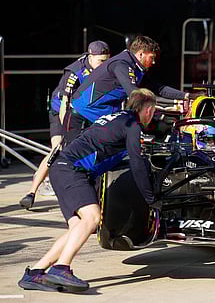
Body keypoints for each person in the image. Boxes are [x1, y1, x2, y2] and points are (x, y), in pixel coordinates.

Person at [17, 88, 158, 292]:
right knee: (92, 218)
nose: (152, 116)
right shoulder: (132, 125)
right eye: (152, 111)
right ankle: (61, 268)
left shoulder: (116, 118)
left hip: (61, 168)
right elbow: (136, 164)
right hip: (72, 169)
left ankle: (35, 273)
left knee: (78, 226)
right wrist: (150, 198)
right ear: (147, 109)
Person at [19, 41, 110, 210]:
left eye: (106, 61)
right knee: (59, 148)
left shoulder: (107, 69)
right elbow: (64, 104)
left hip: (82, 112)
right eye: (100, 61)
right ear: (90, 57)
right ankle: (32, 191)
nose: (103, 65)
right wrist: (65, 130)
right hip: (61, 111)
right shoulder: (75, 72)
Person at [66, 35, 194, 145]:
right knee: (73, 160)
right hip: (82, 115)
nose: (154, 62)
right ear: (141, 54)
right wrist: (173, 107)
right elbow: (134, 94)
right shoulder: (122, 64)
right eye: (152, 57)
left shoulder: (135, 68)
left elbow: (158, 88)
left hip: (99, 113)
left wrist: (187, 96)